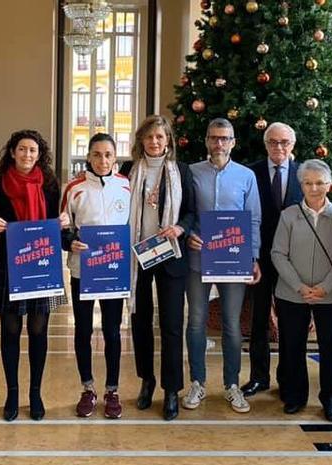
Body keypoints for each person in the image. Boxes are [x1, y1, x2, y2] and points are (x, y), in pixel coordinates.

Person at [0, 129, 69, 422]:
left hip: (42, 260)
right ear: (12, 152)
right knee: (9, 330)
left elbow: (58, 222)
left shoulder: (50, 184)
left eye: (32, 150)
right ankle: (12, 392)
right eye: (22, 149)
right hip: (10, 261)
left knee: (37, 331)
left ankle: (35, 392)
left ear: (39, 154)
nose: (27, 155)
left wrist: (62, 223)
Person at [182, 118, 261, 414]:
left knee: (231, 323)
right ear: (206, 140)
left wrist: (253, 257)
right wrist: (189, 234)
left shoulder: (246, 176)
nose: (219, 143)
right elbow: (184, 212)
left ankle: (232, 384)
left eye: (224, 138)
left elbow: (253, 218)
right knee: (196, 321)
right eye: (214, 138)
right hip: (198, 259)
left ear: (233, 142)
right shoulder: (191, 173)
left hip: (233, 260)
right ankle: (197, 382)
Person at [120, 115, 195, 421]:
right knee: (139, 322)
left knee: (172, 324)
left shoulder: (181, 172)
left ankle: (171, 390)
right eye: (149, 137)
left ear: (168, 141)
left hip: (169, 254)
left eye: (160, 137)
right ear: (141, 141)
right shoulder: (127, 171)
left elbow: (190, 211)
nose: (154, 142)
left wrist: (180, 228)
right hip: (138, 255)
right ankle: (147, 381)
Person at [271, 159, 332, 421]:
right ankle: (294, 396)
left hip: (331, 295)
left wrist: (325, 287)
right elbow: (278, 254)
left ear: (329, 185)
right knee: (292, 346)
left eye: (320, 183)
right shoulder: (288, 215)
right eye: (308, 183)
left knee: (331, 348)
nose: (314, 188)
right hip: (292, 294)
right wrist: (300, 286)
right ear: (300, 185)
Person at [61, 133, 130, 419]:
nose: (103, 160)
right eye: (97, 155)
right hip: (83, 269)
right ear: (89, 156)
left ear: (116, 157)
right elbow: (63, 226)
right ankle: (87, 387)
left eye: (108, 155)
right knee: (83, 330)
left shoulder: (126, 186)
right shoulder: (74, 188)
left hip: (113, 270)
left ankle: (112, 389)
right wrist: (70, 240)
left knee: (113, 331)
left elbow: (131, 224)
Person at [244, 122, 303, 397]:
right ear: (265, 144)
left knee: (289, 319)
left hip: (293, 259)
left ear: (292, 145)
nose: (279, 147)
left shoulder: (304, 174)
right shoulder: (251, 173)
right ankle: (259, 377)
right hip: (260, 257)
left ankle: (286, 378)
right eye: (273, 142)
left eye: (284, 142)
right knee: (258, 319)